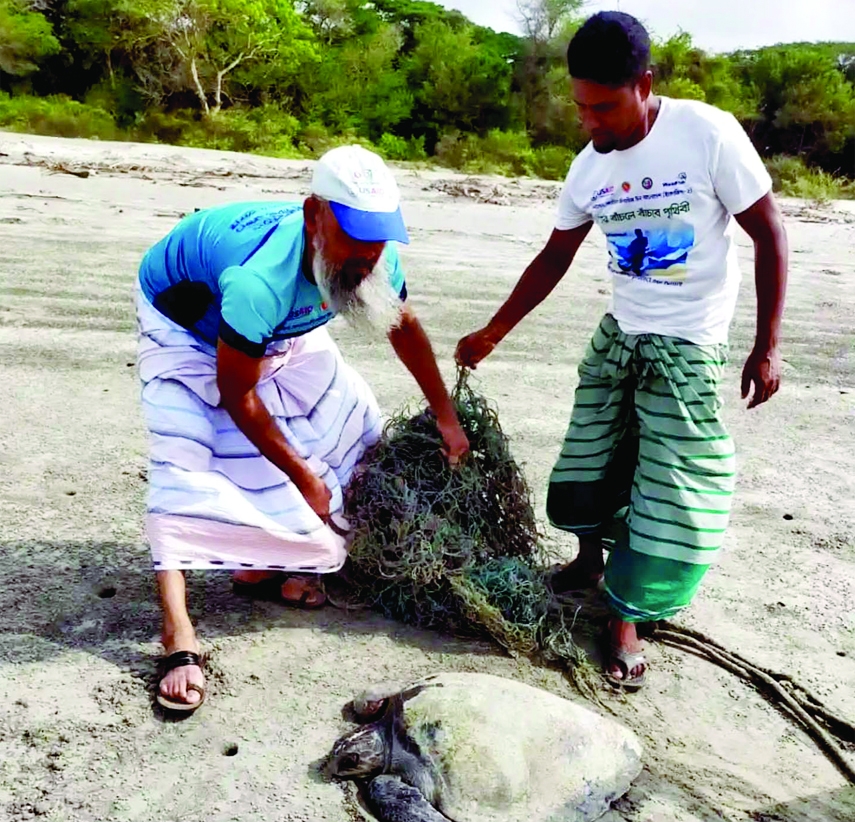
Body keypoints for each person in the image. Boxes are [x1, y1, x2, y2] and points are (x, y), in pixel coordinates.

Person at [456, 11, 787, 690]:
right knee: (591, 455)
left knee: (667, 483)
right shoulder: (587, 168)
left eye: (603, 107)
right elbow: (553, 257)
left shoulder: (706, 134)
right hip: (619, 334)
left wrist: (766, 346)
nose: (590, 122)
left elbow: (768, 232)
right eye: (580, 107)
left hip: (689, 345)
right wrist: (493, 330)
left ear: (644, 83)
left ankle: (626, 614)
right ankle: (587, 558)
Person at [136, 145, 469, 712]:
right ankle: (177, 634)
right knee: (187, 454)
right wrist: (304, 481)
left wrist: (444, 412)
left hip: (280, 324)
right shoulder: (258, 279)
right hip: (187, 319)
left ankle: (267, 563)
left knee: (349, 419)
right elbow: (237, 394)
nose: (368, 254)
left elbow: (403, 326)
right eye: (354, 236)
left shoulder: (371, 258)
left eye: (379, 238)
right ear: (314, 215)